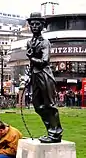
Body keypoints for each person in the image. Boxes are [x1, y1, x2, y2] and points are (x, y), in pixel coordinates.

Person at [26, 12, 63, 143]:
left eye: (37, 24)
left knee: (50, 105)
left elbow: (44, 61)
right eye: (32, 24)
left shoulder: (45, 42)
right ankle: (51, 131)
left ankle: (55, 134)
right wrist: (27, 78)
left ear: (42, 26)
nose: (34, 26)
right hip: (35, 76)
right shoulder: (29, 43)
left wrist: (31, 57)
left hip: (45, 75)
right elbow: (32, 64)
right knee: (37, 106)